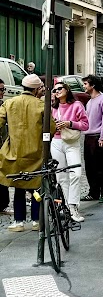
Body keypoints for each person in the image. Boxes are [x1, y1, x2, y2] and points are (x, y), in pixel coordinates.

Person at [0, 75, 54, 231]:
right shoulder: (41, 105)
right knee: (37, 187)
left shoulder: (9, 103)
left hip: (15, 153)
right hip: (36, 153)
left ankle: (19, 222)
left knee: (19, 187)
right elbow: (50, 128)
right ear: (36, 89)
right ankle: (37, 221)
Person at [51, 82, 89, 222]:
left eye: (60, 88)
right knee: (61, 177)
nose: (57, 91)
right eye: (55, 90)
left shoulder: (77, 105)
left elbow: (85, 125)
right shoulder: (52, 107)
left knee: (76, 174)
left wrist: (69, 123)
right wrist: (54, 126)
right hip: (56, 142)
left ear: (67, 89)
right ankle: (67, 207)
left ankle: (73, 206)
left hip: (72, 142)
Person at [82, 75, 103, 203]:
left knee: (102, 166)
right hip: (88, 136)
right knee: (90, 166)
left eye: (85, 84)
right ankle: (93, 191)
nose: (84, 86)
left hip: (98, 137)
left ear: (92, 85)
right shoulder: (89, 102)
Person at [0, 79, 9, 214]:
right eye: (0, 90)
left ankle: (2, 204)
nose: (2, 92)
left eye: (3, 89)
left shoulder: (2, 105)